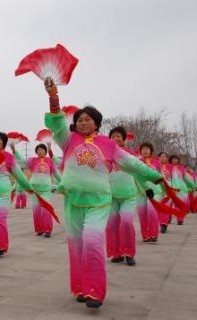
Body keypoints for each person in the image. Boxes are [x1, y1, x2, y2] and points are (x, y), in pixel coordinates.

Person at [43, 78, 163, 308]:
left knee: (92, 240)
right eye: (79, 120)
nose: (83, 122)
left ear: (97, 122)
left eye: (88, 119)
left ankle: (95, 292)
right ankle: (81, 287)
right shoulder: (68, 140)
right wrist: (53, 95)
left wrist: (152, 175)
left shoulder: (109, 145)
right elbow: (57, 125)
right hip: (73, 202)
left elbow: (130, 163)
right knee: (76, 244)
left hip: (99, 202)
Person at [12, 143, 61, 237]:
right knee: (36, 210)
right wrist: (15, 151)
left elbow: (56, 174)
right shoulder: (32, 160)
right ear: (36, 151)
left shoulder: (50, 161)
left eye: (42, 149)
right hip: (35, 190)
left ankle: (48, 229)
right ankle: (40, 229)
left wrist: (63, 183)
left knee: (46, 209)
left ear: (45, 151)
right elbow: (22, 162)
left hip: (46, 190)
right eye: (38, 149)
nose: (40, 151)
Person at [105, 126, 138, 266]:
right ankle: (117, 253)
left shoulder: (130, 154)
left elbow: (139, 171)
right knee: (111, 225)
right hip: (112, 196)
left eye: (119, 135)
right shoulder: (106, 154)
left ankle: (129, 253)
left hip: (128, 195)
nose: (116, 138)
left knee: (126, 222)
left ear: (124, 138)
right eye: (113, 136)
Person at [136, 143, 162, 242]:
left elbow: (160, 177)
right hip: (140, 191)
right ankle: (145, 235)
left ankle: (154, 234)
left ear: (151, 151)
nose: (145, 151)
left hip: (154, 191)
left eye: (147, 149)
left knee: (152, 212)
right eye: (143, 149)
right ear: (140, 151)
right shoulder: (137, 162)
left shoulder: (156, 163)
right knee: (142, 214)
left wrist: (164, 190)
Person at [168, 155, 195, 225]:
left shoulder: (181, 168)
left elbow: (186, 178)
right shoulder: (168, 167)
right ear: (171, 160)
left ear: (178, 160)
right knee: (169, 205)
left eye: (176, 159)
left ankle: (180, 219)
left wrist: (193, 185)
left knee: (180, 205)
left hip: (181, 189)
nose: (174, 160)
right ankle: (168, 217)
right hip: (171, 188)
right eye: (173, 159)